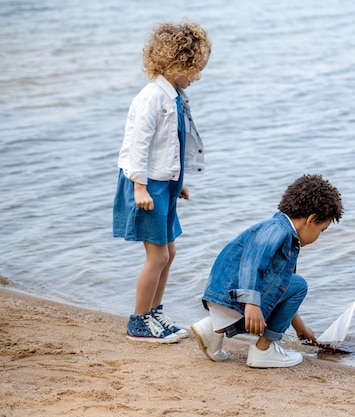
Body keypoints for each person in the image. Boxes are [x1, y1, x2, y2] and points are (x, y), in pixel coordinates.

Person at [113, 21, 211, 343]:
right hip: (147, 185)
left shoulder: (175, 95)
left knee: (170, 252)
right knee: (157, 256)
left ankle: (154, 313)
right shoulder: (152, 98)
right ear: (176, 63)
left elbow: (173, 144)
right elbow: (138, 145)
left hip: (165, 183)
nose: (196, 77)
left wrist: (178, 181)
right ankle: (139, 321)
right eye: (193, 69)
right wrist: (140, 187)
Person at [191, 174, 343, 367]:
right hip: (237, 296)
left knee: (291, 284)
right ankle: (263, 350)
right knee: (300, 285)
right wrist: (252, 303)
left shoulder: (276, 228)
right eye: (322, 230)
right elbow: (252, 262)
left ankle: (213, 329)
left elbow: (279, 289)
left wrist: (300, 327)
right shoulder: (279, 230)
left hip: (223, 297)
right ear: (311, 219)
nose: (318, 237)